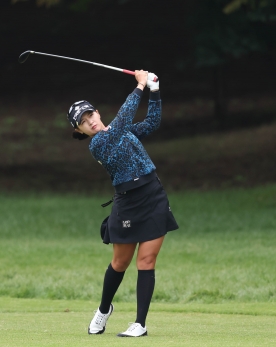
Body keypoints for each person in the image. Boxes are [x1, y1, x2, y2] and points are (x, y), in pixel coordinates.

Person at [67, 70, 178, 337]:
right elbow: (123, 120)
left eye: (90, 115)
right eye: (83, 122)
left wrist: (155, 90)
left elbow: (151, 122)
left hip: (153, 195)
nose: (90, 122)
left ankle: (140, 323)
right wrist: (139, 86)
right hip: (127, 204)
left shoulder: (122, 130)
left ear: (97, 113)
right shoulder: (99, 144)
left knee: (147, 261)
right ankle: (104, 310)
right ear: (79, 130)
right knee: (120, 263)